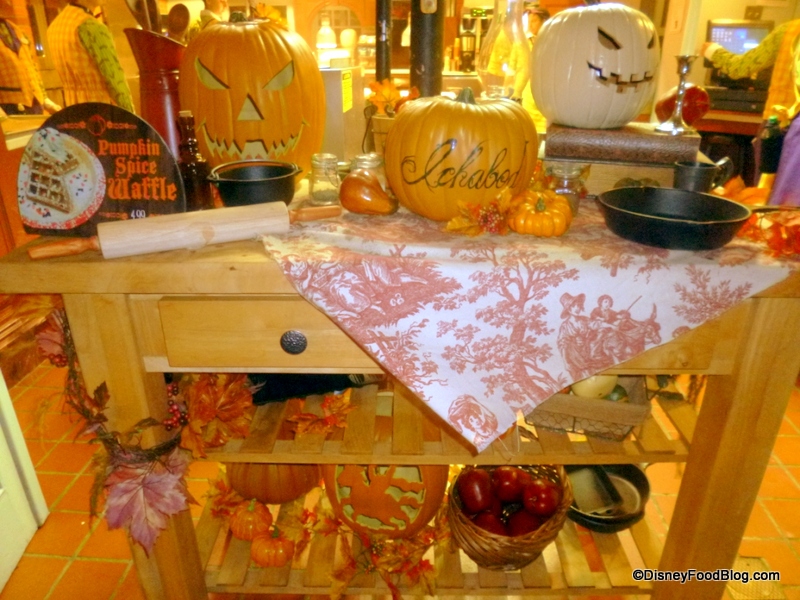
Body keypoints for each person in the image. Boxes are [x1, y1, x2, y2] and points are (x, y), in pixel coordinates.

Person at [701, 19, 800, 177]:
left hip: (780, 125)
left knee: (767, 184)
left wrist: (712, 50)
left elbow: (739, 67)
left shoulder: (790, 31)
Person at [47, 0, 134, 112]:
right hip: (102, 110)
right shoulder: (91, 27)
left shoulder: (55, 27)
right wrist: (130, 115)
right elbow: (115, 81)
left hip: (74, 110)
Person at [0, 18, 61, 115]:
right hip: (7, 107)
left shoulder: (16, 29)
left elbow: (32, 65)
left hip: (35, 104)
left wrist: (45, 99)